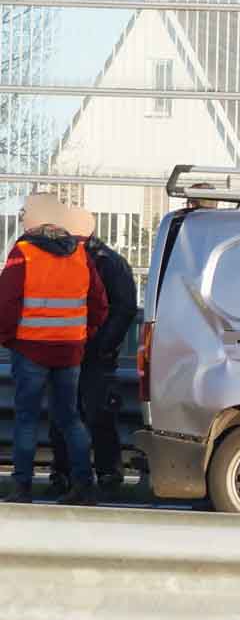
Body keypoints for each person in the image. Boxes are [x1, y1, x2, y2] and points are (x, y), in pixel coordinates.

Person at [0, 194, 109, 505]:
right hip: (69, 350)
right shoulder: (79, 252)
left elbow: (6, 302)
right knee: (70, 418)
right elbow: (100, 304)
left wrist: (8, 338)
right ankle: (84, 485)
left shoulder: (23, 252)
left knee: (26, 419)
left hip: (31, 349)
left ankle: (22, 488)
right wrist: (83, 333)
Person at [47, 223, 137, 494]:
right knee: (64, 412)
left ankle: (106, 471)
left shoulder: (107, 262)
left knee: (97, 412)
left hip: (93, 352)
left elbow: (124, 308)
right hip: (69, 349)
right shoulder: (72, 259)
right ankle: (64, 471)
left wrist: (103, 345)